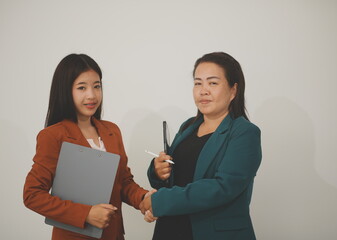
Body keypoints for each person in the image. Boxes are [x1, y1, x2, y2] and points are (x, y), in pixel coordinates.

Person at [23, 53, 150, 240]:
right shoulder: (53, 136)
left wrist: (144, 199)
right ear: (66, 91)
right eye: (81, 87)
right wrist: (86, 214)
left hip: (114, 235)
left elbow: (123, 182)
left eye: (97, 86)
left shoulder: (112, 131)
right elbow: (32, 195)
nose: (92, 95)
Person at [140, 52, 262, 240]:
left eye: (212, 83)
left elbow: (222, 188)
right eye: (198, 83)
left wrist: (159, 201)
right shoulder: (189, 126)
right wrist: (158, 171)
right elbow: (176, 178)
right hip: (171, 229)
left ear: (233, 90)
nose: (203, 90)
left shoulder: (244, 133)